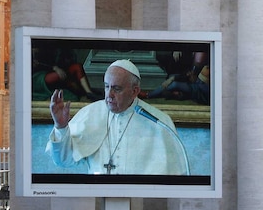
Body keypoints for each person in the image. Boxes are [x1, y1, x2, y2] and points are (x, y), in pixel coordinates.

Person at [46, 59, 189, 175]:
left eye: (116, 88)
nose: (109, 95)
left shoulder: (159, 121)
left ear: (134, 91)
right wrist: (61, 127)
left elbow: (176, 175)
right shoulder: (90, 113)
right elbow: (63, 161)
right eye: (107, 87)